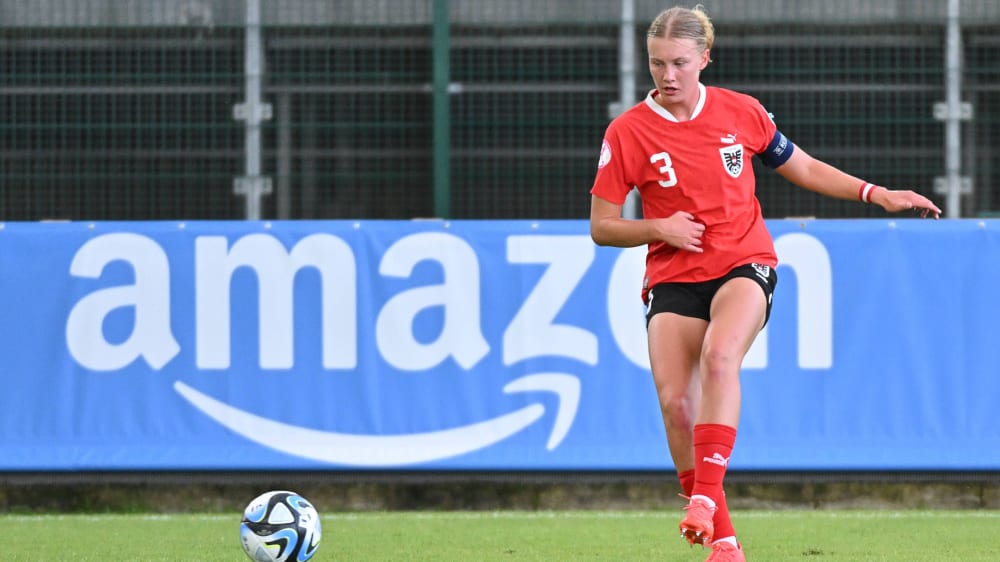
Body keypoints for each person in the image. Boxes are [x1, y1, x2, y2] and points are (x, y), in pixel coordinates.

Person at [588, 5, 941, 562]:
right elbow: (602, 227)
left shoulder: (741, 112)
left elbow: (803, 167)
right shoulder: (628, 132)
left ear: (705, 58)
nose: (668, 75)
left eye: (680, 62)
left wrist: (878, 193)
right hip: (673, 274)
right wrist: (659, 226)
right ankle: (724, 543)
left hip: (743, 261)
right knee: (676, 401)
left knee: (721, 357)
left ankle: (703, 499)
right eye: (657, 64)